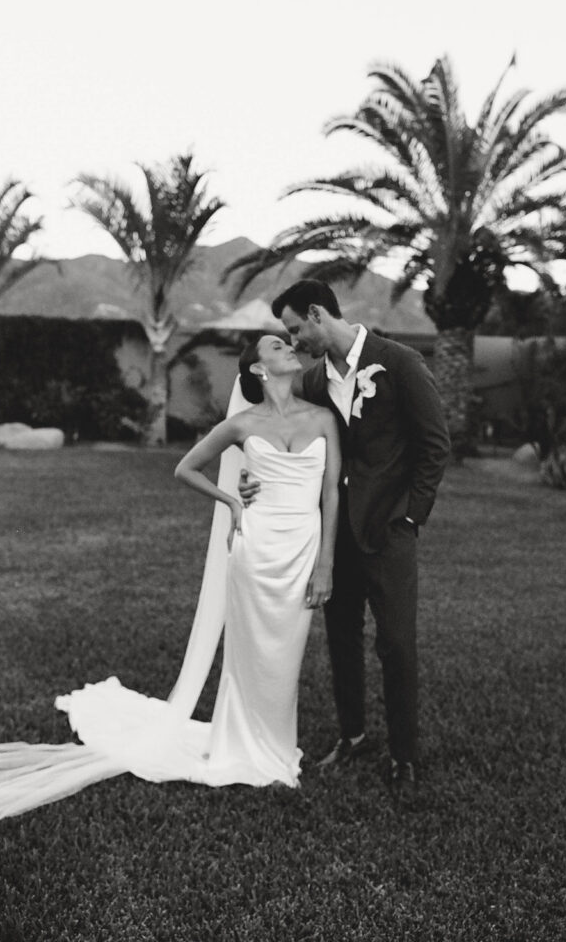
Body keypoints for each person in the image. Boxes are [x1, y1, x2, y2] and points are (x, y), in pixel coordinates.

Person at [0, 334, 340, 832]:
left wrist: (326, 563)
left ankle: (274, 745)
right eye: (275, 346)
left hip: (302, 549)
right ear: (258, 369)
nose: (288, 346)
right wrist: (231, 500)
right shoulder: (242, 424)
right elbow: (185, 468)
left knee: (284, 656)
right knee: (248, 657)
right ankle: (240, 747)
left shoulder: (323, 418)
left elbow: (331, 493)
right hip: (256, 549)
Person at [239, 280, 450, 801]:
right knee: (341, 637)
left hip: (389, 530)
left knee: (396, 643)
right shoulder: (313, 382)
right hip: (333, 533)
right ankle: (352, 735)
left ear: (317, 314)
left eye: (295, 329)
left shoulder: (398, 362)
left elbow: (434, 444)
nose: (294, 341)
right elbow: (286, 435)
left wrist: (411, 517)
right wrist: (252, 478)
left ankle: (404, 754)